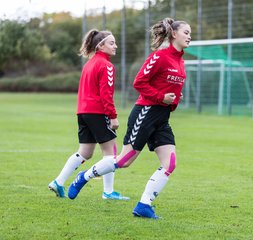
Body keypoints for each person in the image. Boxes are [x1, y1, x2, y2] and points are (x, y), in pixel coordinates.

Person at [67, 18, 192, 219]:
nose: (189, 36)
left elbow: (169, 89)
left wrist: (174, 98)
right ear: (174, 34)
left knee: (170, 163)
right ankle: (84, 177)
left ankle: (144, 205)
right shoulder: (159, 56)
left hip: (162, 117)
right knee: (124, 161)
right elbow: (139, 82)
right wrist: (162, 97)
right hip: (146, 112)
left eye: (190, 33)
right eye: (186, 32)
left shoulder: (181, 61)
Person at [48, 29, 129, 200]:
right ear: (101, 45)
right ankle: (108, 192)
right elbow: (105, 94)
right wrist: (112, 116)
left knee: (85, 152)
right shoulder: (106, 65)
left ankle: (58, 182)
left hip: (83, 112)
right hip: (98, 112)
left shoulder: (89, 63)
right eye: (112, 43)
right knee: (111, 153)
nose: (116, 46)